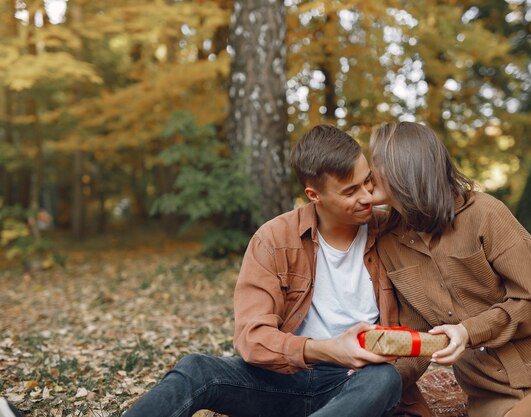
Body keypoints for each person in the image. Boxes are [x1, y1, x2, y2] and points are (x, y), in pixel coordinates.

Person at [123, 124, 429, 417]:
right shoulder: (273, 239)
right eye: (350, 191)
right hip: (285, 379)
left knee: (384, 379)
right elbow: (252, 339)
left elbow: (425, 319)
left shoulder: (392, 231)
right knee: (196, 369)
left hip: (358, 383)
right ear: (314, 195)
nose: (366, 196)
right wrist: (328, 350)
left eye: (368, 182)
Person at [368, 121, 531, 417]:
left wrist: (468, 331)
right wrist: (373, 385)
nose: (367, 172)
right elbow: (418, 332)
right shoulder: (389, 242)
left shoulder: (485, 214)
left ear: (403, 168)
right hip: (492, 388)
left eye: (375, 162)